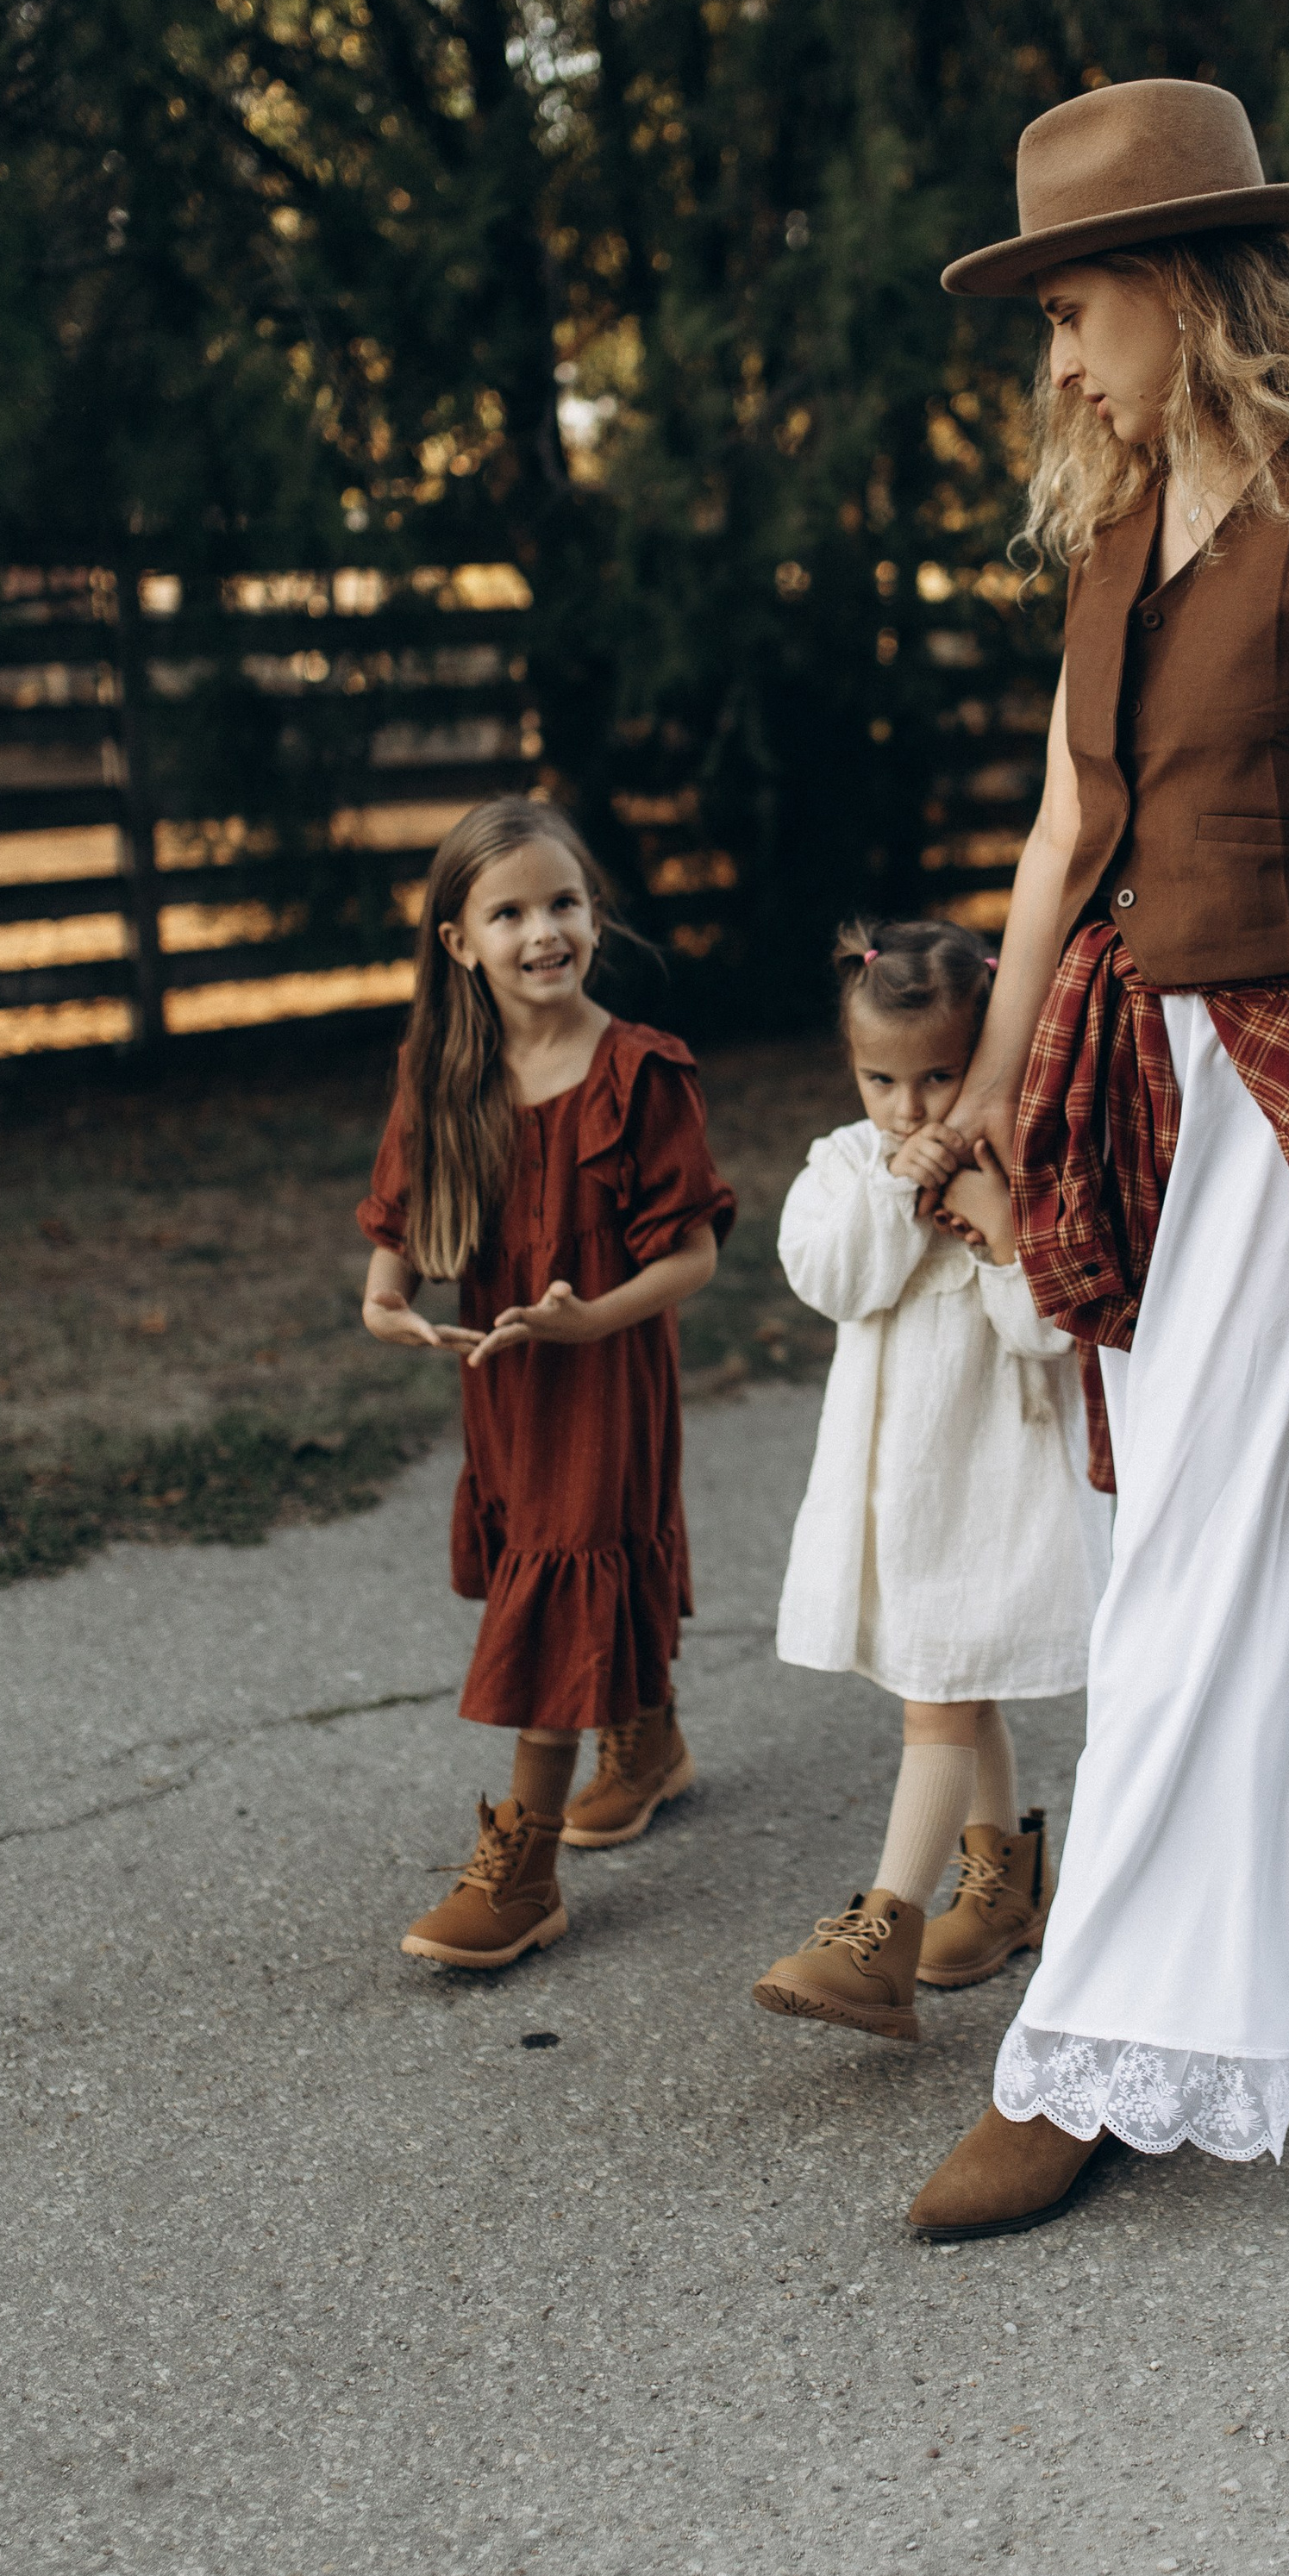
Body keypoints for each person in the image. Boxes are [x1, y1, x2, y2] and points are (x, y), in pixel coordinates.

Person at [904, 77, 1289, 2241]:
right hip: (1134, 1078)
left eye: (1075, 305)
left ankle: (1096, 2050)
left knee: (1186, 1568)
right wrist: (987, 1081)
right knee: (1226, 1505)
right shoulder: (1113, 518)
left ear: (1186, 286)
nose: (1055, 358)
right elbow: (1072, 827)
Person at [356, 794, 735, 1970]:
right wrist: (384, 1295)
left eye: (562, 902)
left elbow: (695, 1254)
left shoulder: (640, 1073)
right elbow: (407, 1212)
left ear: (594, 914)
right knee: (556, 1539)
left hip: (604, 1367)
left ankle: (524, 1872)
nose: (543, 932)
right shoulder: (445, 1066)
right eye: (509, 911)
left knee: (570, 1567)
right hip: (504, 1378)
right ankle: (651, 1736)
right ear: (458, 941)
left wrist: (592, 1322)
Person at [753, 919, 1111, 2044]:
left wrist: (997, 1221)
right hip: (896, 1492)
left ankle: (888, 1925)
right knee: (958, 1674)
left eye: (938, 1077)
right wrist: (900, 1196)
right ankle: (1004, 1889)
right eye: (881, 1080)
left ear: (986, 1058)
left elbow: (1051, 1334)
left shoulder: (1023, 1158)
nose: (908, 1109)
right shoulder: (845, 1166)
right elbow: (830, 1279)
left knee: (940, 1695)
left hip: (990, 1486)